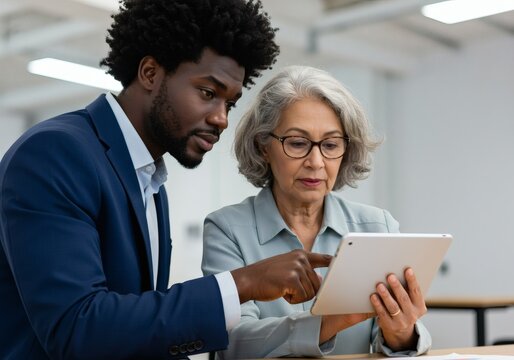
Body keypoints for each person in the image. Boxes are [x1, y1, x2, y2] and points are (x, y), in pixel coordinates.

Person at [0, 2, 333, 359]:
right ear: (149, 73)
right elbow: (77, 329)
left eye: (230, 103)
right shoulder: (56, 153)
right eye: (208, 93)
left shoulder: (148, 178)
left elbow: (137, 330)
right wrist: (242, 284)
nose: (221, 118)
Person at [202, 65, 432, 359]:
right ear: (263, 146)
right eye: (297, 143)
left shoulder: (378, 226)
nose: (316, 161)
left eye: (331, 144)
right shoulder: (227, 229)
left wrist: (402, 334)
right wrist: (333, 321)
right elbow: (233, 344)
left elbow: (397, 340)